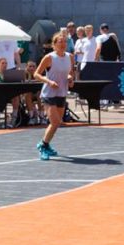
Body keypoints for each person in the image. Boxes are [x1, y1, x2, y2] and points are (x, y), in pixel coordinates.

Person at [33, 32, 74, 160]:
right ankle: (42, 146)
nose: (63, 44)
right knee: (55, 122)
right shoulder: (49, 57)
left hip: (62, 93)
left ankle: (46, 144)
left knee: (57, 123)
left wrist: (70, 79)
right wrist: (49, 82)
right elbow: (36, 74)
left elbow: (70, 73)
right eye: (60, 42)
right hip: (49, 93)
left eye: (65, 42)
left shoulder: (70, 57)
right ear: (54, 45)